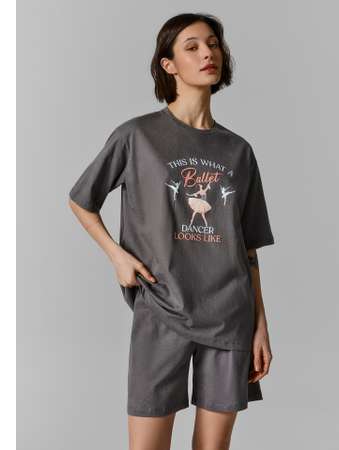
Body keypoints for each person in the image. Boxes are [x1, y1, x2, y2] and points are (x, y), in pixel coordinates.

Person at [69, 12, 275, 450]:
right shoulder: (137, 136)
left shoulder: (238, 151)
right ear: (169, 65)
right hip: (162, 307)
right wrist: (117, 256)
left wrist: (260, 324)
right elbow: (81, 199)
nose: (207, 53)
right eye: (192, 47)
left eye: (213, 44)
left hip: (230, 316)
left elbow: (248, 247)